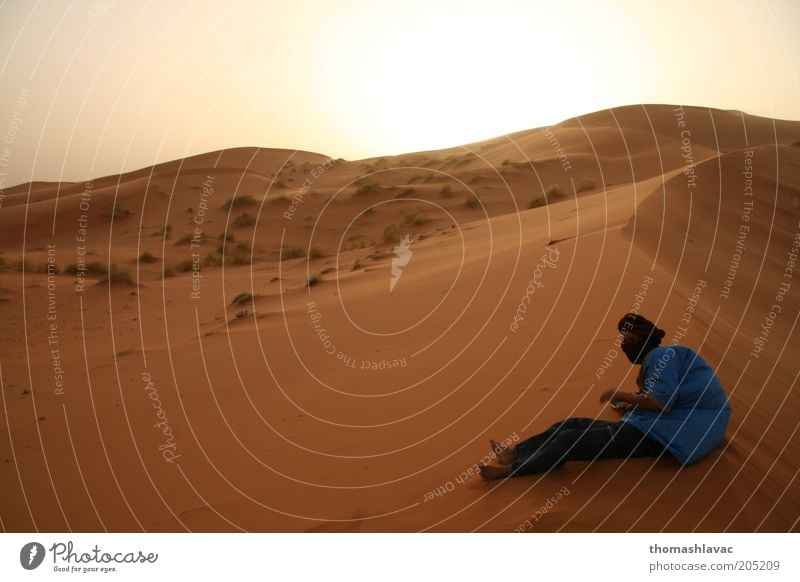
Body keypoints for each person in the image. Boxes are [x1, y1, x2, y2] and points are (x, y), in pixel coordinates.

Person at [479, 313, 732, 481]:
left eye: (632, 339)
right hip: (663, 428)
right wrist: (628, 403)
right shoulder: (667, 357)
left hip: (666, 437)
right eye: (625, 339)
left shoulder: (661, 356)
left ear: (647, 339)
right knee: (570, 425)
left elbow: (661, 403)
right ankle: (516, 452)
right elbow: (665, 397)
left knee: (570, 440)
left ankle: (510, 471)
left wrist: (617, 394)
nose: (626, 344)